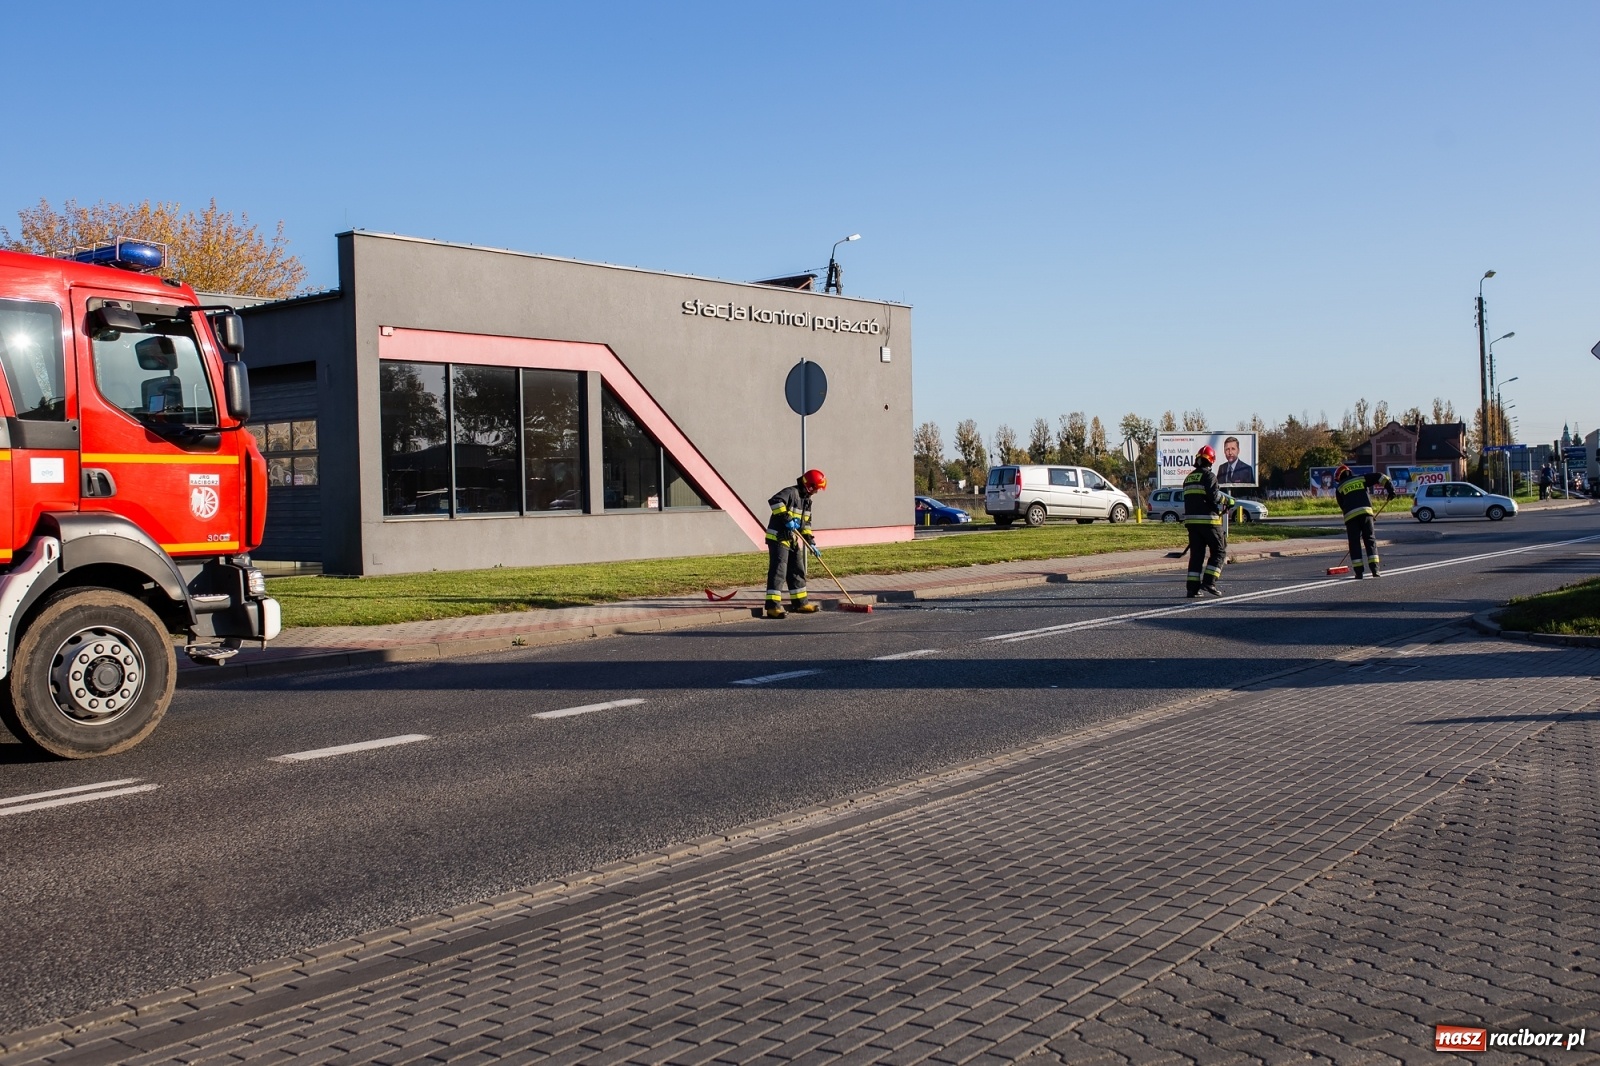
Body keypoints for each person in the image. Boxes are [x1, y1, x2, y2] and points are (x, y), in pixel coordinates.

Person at [764, 469, 826, 618]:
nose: (816, 492)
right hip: (778, 538)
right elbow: (775, 501)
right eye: (816, 489)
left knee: (797, 570)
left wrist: (811, 543)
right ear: (809, 486)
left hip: (792, 539)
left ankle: (800, 603)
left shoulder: (806, 501)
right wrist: (787, 520)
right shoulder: (791, 492)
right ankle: (773, 607)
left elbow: (805, 525)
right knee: (779, 571)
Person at [1182, 445, 1234, 597]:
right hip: (1209, 522)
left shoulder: (1188, 478)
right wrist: (1228, 500)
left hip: (1192, 524)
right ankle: (1209, 582)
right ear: (1211, 461)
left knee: (1196, 555)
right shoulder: (1209, 476)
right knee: (1219, 550)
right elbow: (1214, 496)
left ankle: (1192, 589)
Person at [1334, 464, 1395, 578]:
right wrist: (1390, 489)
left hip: (1351, 518)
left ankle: (1358, 572)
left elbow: (1343, 506)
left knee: (1354, 543)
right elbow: (1380, 477)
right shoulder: (1361, 479)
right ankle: (1375, 570)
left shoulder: (1339, 488)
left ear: (1339, 478)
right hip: (1366, 514)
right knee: (1370, 540)